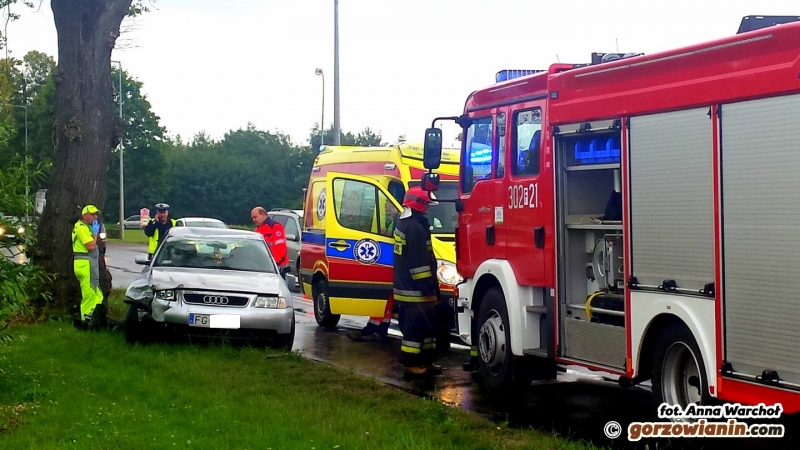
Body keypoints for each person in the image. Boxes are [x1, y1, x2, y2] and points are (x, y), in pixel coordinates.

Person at [392, 187, 442, 377]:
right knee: (414, 328)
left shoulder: (406, 222)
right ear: (418, 205)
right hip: (415, 291)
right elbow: (419, 263)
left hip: (410, 287)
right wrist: (427, 288)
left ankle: (426, 360)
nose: (428, 208)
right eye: (426, 204)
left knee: (427, 327)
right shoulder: (414, 228)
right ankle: (411, 364)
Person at [347, 200, 400, 341]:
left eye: (387, 204)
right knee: (386, 300)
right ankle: (379, 330)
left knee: (385, 299)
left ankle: (373, 329)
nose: (385, 208)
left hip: (392, 265)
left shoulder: (398, 220)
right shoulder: (394, 220)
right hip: (389, 265)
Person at [73, 205, 105, 330]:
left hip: (87, 263)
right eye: (92, 214)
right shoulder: (81, 228)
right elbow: (90, 246)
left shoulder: (84, 227)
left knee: (98, 295)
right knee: (89, 294)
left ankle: (96, 318)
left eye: (96, 214)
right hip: (86, 263)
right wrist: (95, 234)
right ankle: (86, 321)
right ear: (84, 215)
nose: (95, 217)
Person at [251, 206, 290, 278]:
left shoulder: (274, 226)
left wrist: (275, 263)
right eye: (252, 218)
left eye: (255, 217)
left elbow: (281, 248)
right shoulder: (257, 229)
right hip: (265, 267)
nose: (253, 220)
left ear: (263, 215)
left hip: (277, 266)